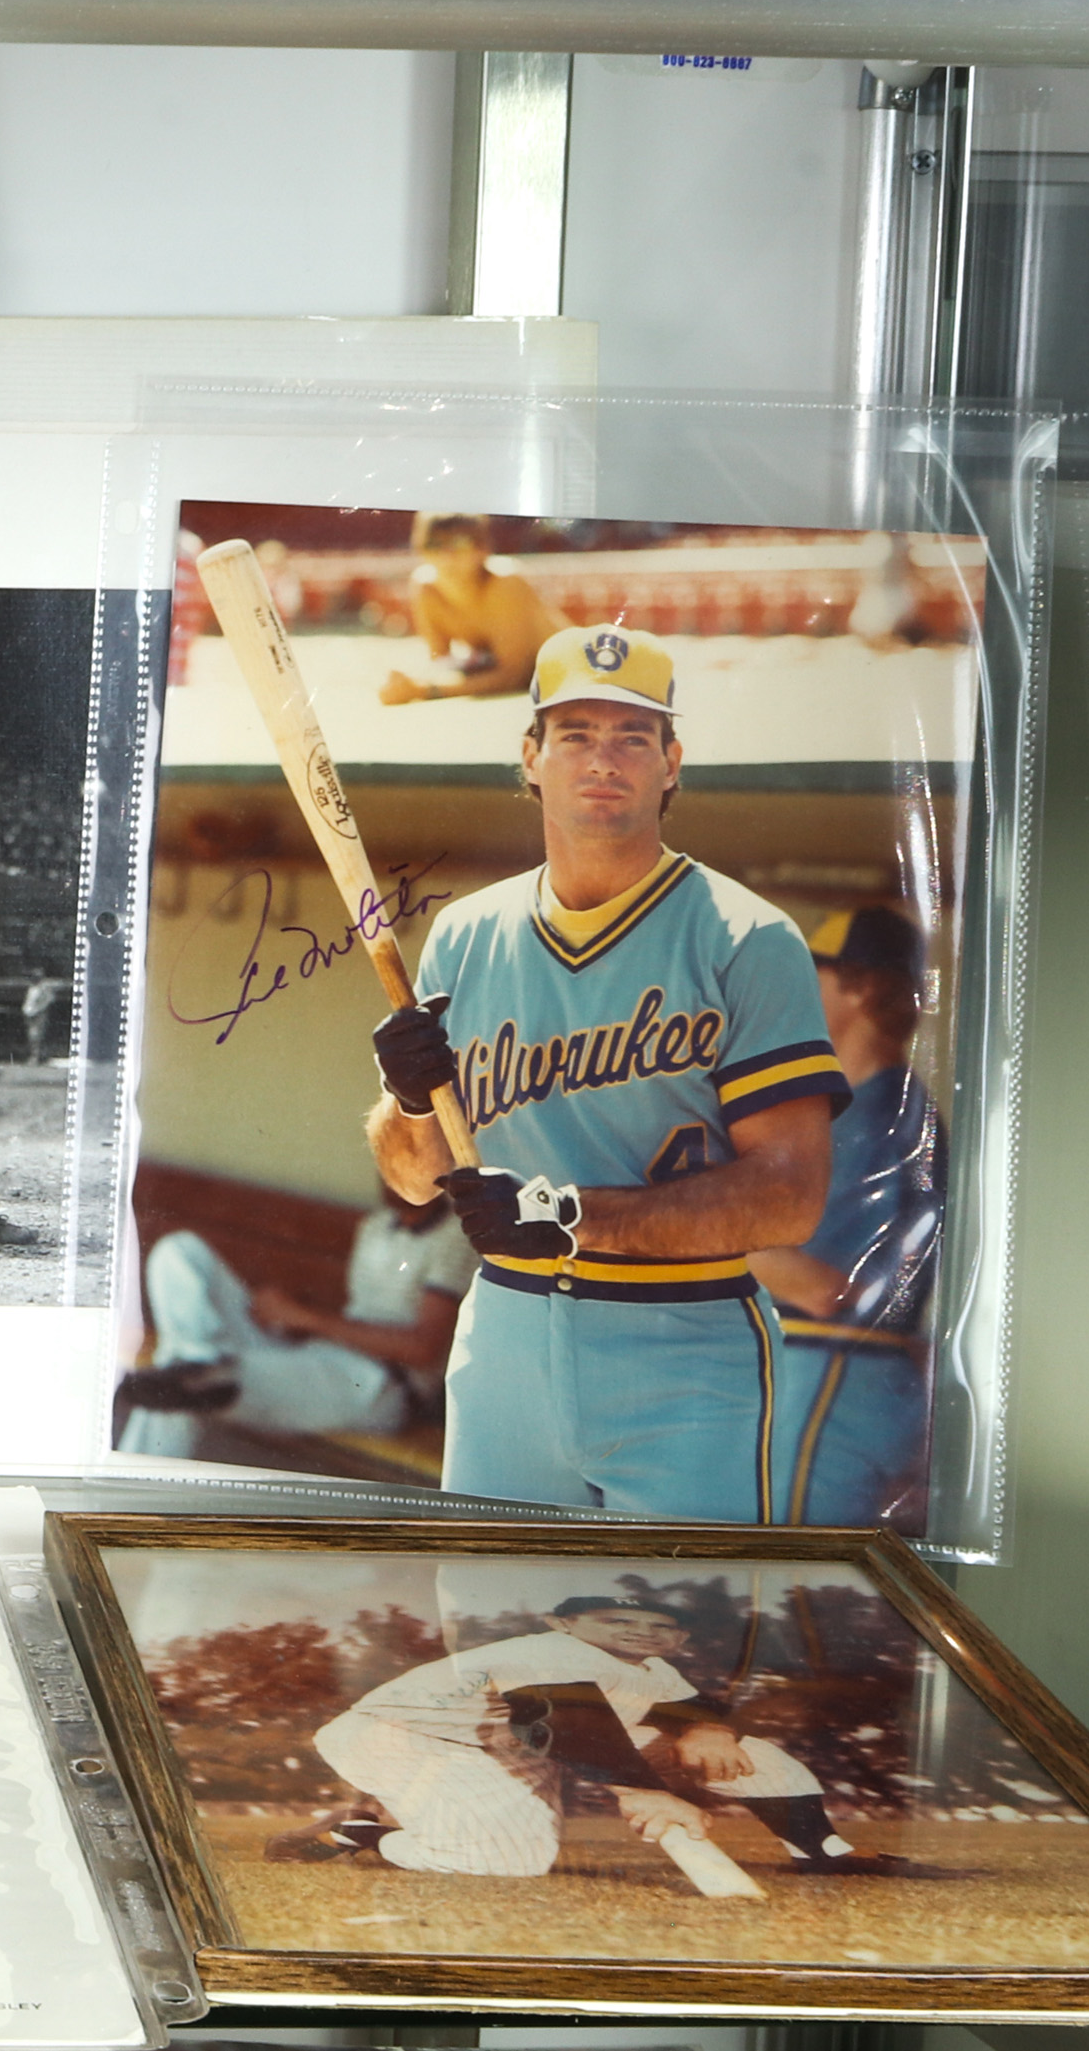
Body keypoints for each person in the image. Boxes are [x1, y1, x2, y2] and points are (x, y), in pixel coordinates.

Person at [365, 624, 847, 1520]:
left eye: (632, 736)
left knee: (676, 1647)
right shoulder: (466, 935)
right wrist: (403, 1101)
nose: (604, 758)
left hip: (684, 1336)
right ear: (531, 757)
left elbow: (790, 1195)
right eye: (576, 734)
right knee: (492, 1641)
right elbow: (414, 1175)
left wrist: (571, 1214)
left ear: (672, 761)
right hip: (505, 1328)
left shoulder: (747, 937)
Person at [267, 1594, 903, 1880]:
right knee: (505, 1865)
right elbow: (567, 1718)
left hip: (514, 1746)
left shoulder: (652, 1667)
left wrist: (708, 1728)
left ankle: (821, 1849)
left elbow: (689, 1708)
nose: (639, 1632)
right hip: (407, 1739)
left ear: (678, 1641)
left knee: (742, 1753)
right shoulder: (546, 1650)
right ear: (563, 1621)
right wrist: (642, 1792)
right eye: (616, 1618)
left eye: (659, 1626)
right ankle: (371, 1830)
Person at [751, 905, 945, 1529]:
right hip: (824, 1374)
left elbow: (833, 1289)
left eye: (814, 973)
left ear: (862, 986)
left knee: (794, 1585)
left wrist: (692, 1232)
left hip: (836, 1376)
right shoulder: (856, 1108)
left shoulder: (888, 1116)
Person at [116, 1188, 475, 1459]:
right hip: (317, 1357)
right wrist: (288, 1319)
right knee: (179, 1250)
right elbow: (356, 1316)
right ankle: (198, 1361)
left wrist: (303, 1317)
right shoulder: (376, 1226)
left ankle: (195, 1370)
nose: (390, 1170)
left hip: (377, 1386)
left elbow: (423, 1348)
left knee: (182, 1388)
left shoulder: (455, 1236)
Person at [378, 511, 571, 706]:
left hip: (575, 667)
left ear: (482, 548)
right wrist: (405, 683)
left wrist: (423, 689)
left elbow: (515, 676)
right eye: (434, 545)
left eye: (459, 543)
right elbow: (441, 662)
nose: (447, 556)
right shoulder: (426, 587)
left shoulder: (504, 582)